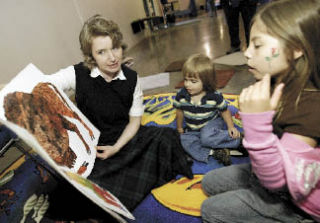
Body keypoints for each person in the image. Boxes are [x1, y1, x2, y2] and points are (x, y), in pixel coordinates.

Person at [47, 14, 193, 217]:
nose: (112, 57)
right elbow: (43, 84)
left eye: (115, 47)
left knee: (166, 138)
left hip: (125, 140)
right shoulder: (77, 74)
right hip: (96, 148)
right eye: (102, 52)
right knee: (78, 191)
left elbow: (134, 123)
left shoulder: (132, 78)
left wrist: (116, 148)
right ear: (91, 56)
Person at [201, 0, 320, 222]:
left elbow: (279, 181)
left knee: (211, 210)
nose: (246, 53)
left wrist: (256, 123)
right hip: (277, 165)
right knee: (209, 182)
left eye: (257, 45)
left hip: (299, 197)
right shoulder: (277, 81)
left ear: (296, 49)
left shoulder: (311, 109)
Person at [173, 54, 241, 166]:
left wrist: (231, 127)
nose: (187, 84)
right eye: (185, 80)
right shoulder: (181, 94)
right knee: (181, 140)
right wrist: (179, 127)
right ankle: (214, 152)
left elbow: (224, 110)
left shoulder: (214, 96)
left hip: (211, 123)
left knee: (206, 137)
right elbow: (179, 111)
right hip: (192, 128)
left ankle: (238, 140)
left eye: (193, 81)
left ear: (206, 82)